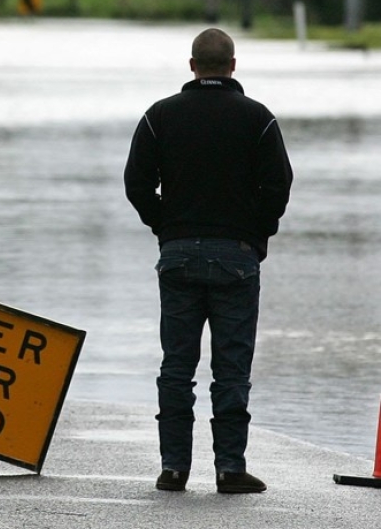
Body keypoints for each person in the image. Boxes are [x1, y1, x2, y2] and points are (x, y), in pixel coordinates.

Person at [124, 28, 292, 494]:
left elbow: (136, 183)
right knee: (231, 369)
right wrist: (254, 233)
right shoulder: (257, 118)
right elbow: (278, 187)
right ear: (233, 66)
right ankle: (229, 469)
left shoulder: (160, 116)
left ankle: (174, 468)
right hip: (236, 257)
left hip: (178, 255)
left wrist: (165, 226)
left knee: (176, 367)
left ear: (192, 65)